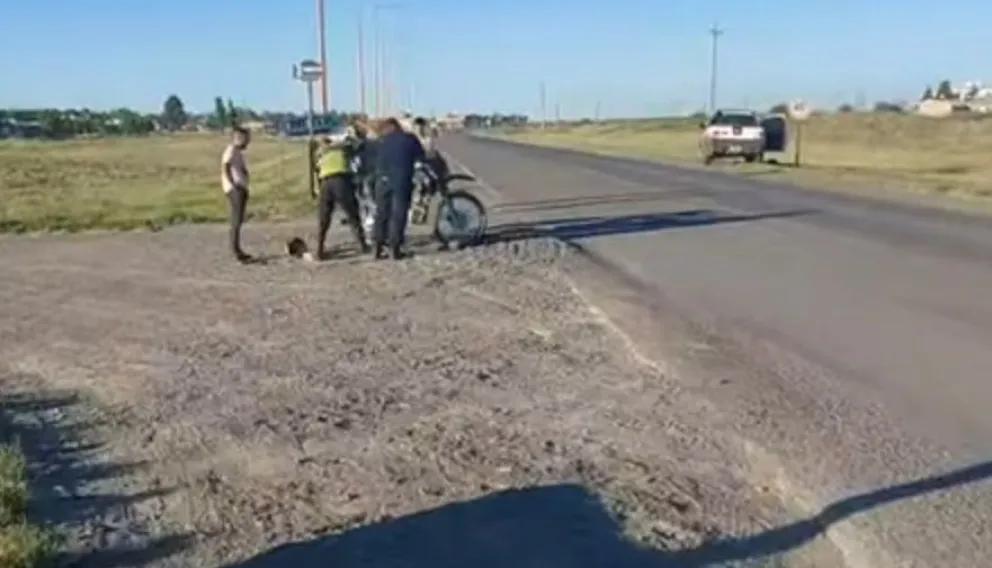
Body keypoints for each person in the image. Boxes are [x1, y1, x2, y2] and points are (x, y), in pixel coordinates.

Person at [372, 117, 425, 260]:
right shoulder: (409, 138)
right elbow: (422, 156)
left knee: (381, 213)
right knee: (398, 214)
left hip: (381, 180)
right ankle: (395, 249)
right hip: (401, 179)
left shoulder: (380, 141)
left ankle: (377, 247)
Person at [313, 135, 369, 259]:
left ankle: (319, 249)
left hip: (325, 183)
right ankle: (362, 244)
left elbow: (316, 169)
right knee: (352, 213)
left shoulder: (322, 152)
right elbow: (359, 146)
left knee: (324, 218)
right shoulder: (343, 148)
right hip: (341, 180)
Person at [220, 126, 253, 263]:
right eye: (246, 139)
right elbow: (226, 166)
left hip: (240, 188)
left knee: (238, 220)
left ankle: (237, 249)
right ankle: (236, 250)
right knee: (236, 219)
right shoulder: (231, 150)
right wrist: (233, 184)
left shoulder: (237, 152)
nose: (247, 142)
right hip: (235, 189)